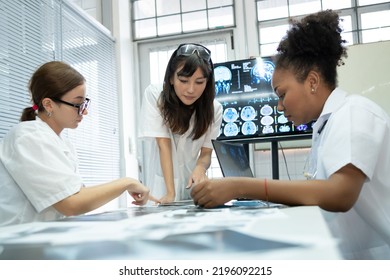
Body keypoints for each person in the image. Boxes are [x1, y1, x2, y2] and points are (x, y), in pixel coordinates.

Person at [190, 10, 390, 259]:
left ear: (313, 81)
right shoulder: (327, 125)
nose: (280, 107)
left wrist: (240, 186)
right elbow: (320, 193)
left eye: (282, 94)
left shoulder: (354, 113)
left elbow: (340, 194)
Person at [0, 61, 153, 226]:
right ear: (49, 104)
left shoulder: (61, 142)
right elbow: (71, 204)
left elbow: (77, 198)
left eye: (84, 103)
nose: (84, 111)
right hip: (16, 239)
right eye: (77, 105)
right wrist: (127, 182)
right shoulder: (28, 137)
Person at [138, 43, 223, 204]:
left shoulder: (214, 109)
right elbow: (164, 144)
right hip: (162, 185)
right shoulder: (155, 95)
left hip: (191, 186)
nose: (191, 89)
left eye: (199, 82)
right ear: (171, 78)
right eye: (184, 80)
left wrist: (200, 168)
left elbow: (206, 154)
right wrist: (170, 192)